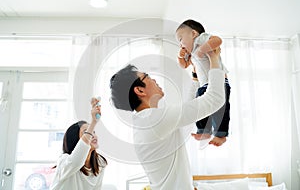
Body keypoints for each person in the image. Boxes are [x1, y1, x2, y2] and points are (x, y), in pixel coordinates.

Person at [109, 49, 225, 189]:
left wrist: (195, 76)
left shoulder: (146, 120)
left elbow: (186, 109)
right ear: (140, 91)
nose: (154, 79)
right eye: (147, 77)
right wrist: (214, 58)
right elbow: (215, 99)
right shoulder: (155, 119)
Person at [176, 19, 231, 146]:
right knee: (199, 108)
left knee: (220, 108)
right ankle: (204, 130)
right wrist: (180, 57)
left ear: (193, 34)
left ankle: (221, 134)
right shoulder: (191, 53)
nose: (180, 44)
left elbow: (218, 40)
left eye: (180, 39)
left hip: (219, 82)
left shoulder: (201, 40)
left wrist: (203, 49)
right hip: (204, 84)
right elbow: (184, 65)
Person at [50, 98, 107, 190]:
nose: (93, 134)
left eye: (93, 131)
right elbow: (77, 161)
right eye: (87, 132)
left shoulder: (100, 162)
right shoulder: (64, 161)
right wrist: (93, 122)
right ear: (76, 141)